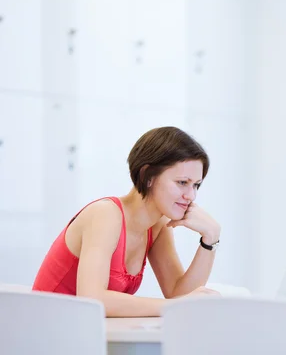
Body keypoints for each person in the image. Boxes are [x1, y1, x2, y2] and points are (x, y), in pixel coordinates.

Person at [33, 126, 221, 316]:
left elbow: (180, 294)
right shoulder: (105, 214)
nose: (191, 195)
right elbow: (92, 299)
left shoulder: (158, 225)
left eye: (196, 185)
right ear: (147, 176)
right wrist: (174, 306)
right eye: (182, 182)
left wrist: (211, 238)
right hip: (46, 333)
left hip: (81, 334)